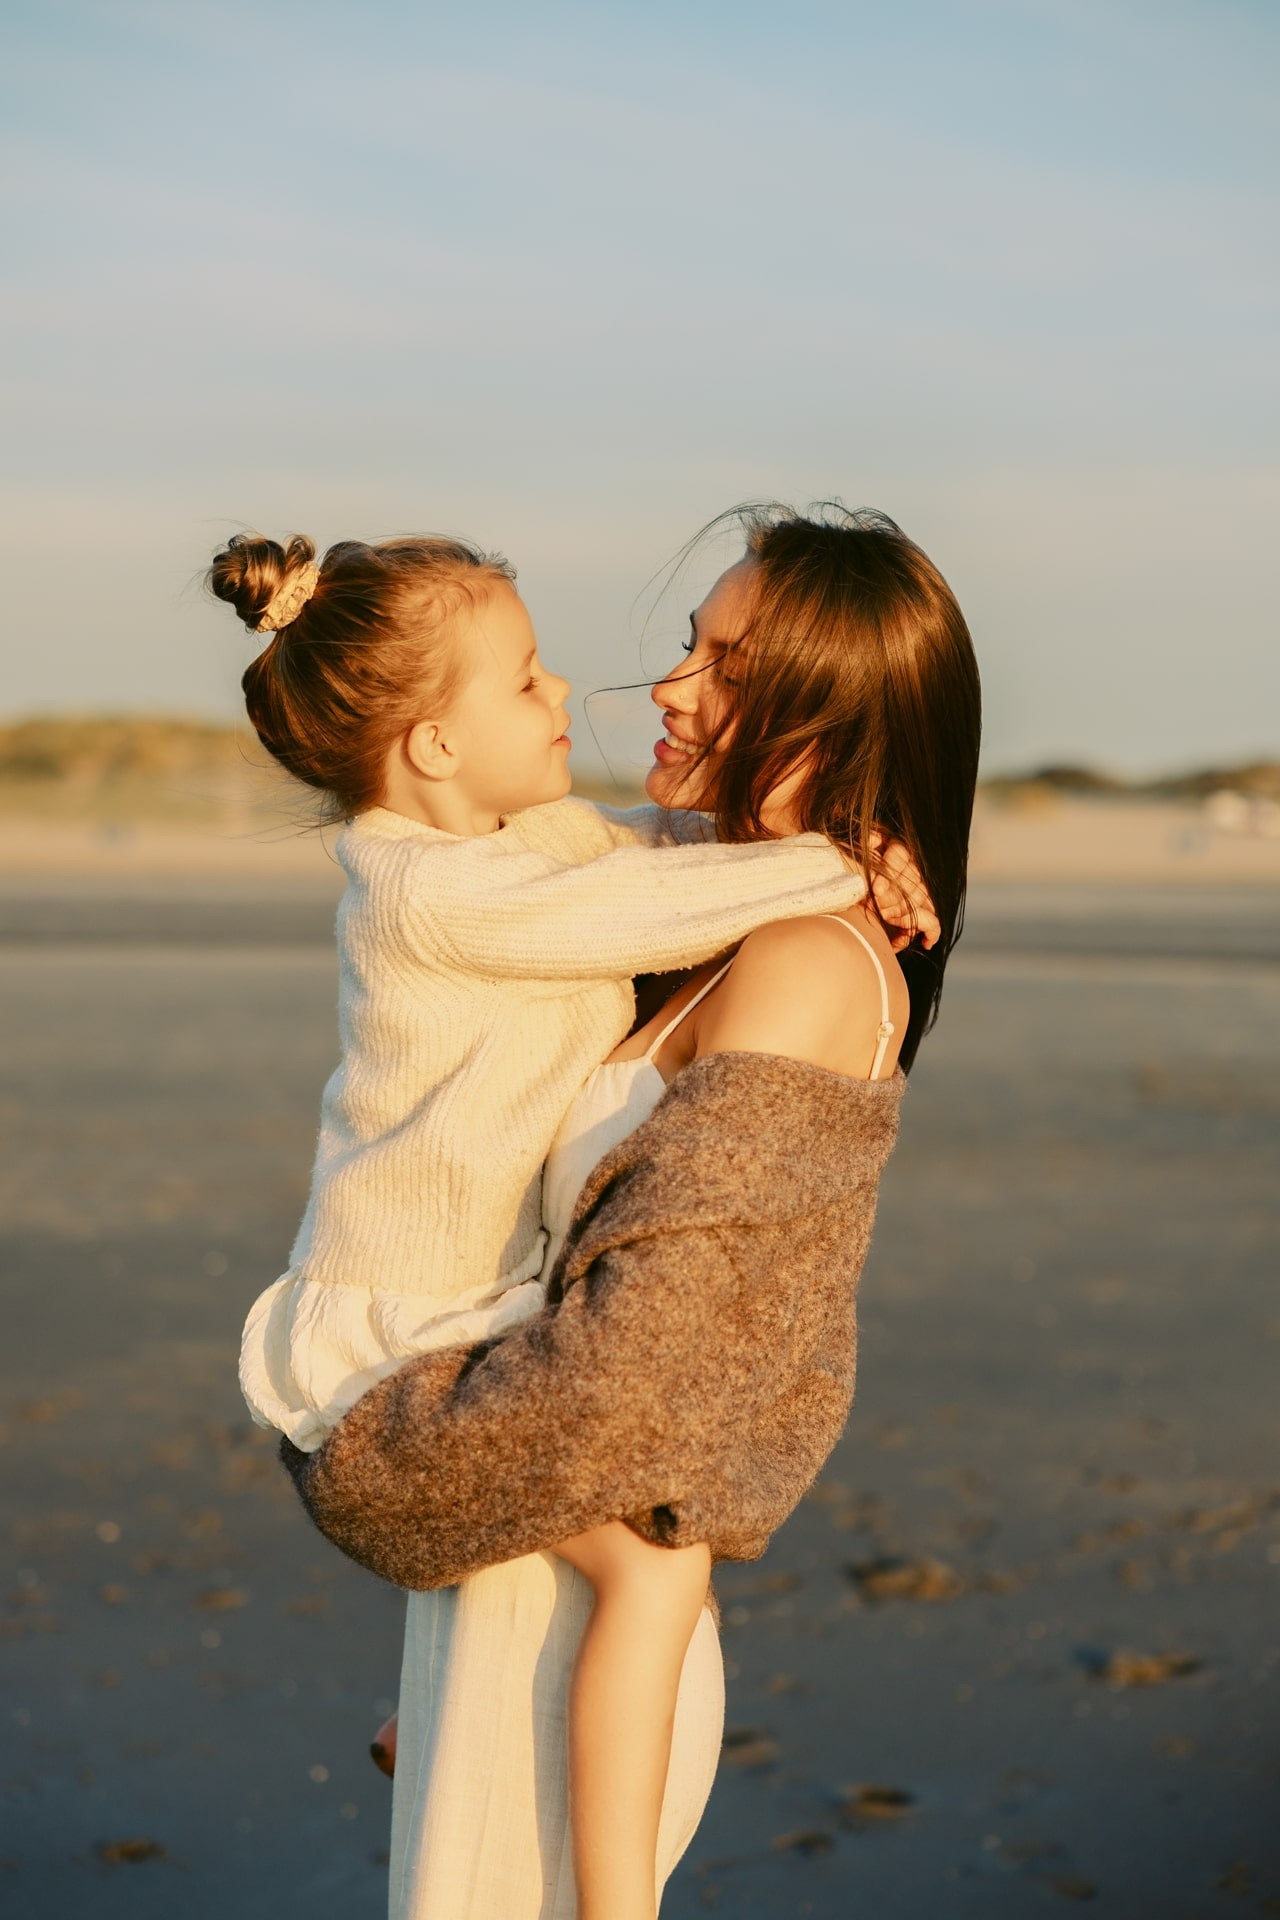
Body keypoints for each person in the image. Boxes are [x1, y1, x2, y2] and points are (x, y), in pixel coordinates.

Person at [207, 527, 932, 1920]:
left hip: (486, 1345)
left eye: (716, 659)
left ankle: (508, 1779)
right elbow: (630, 892)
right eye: (529, 683)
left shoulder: (521, 849)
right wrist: (839, 865)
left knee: (650, 1574)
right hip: (397, 1338)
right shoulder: (428, 889)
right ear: (430, 748)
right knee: (649, 1570)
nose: (582, 697)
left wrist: (819, 862)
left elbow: (643, 851)